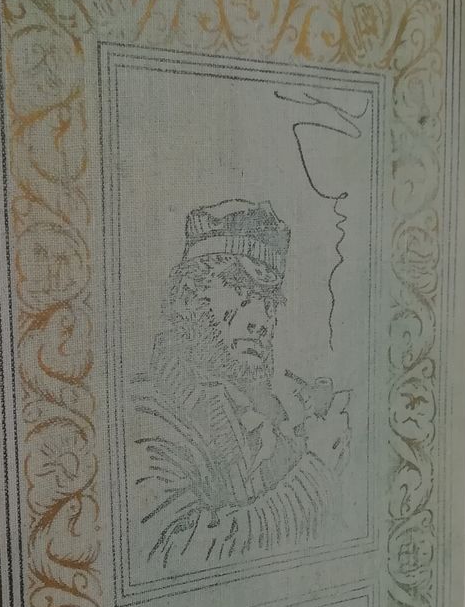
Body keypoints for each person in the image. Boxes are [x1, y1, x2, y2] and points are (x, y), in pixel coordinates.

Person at [129, 198, 349, 571]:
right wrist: (316, 471)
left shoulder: (245, 413)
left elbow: (251, 496)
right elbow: (171, 553)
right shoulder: (145, 414)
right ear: (188, 297)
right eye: (239, 291)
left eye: (268, 301)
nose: (260, 320)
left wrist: (304, 441)